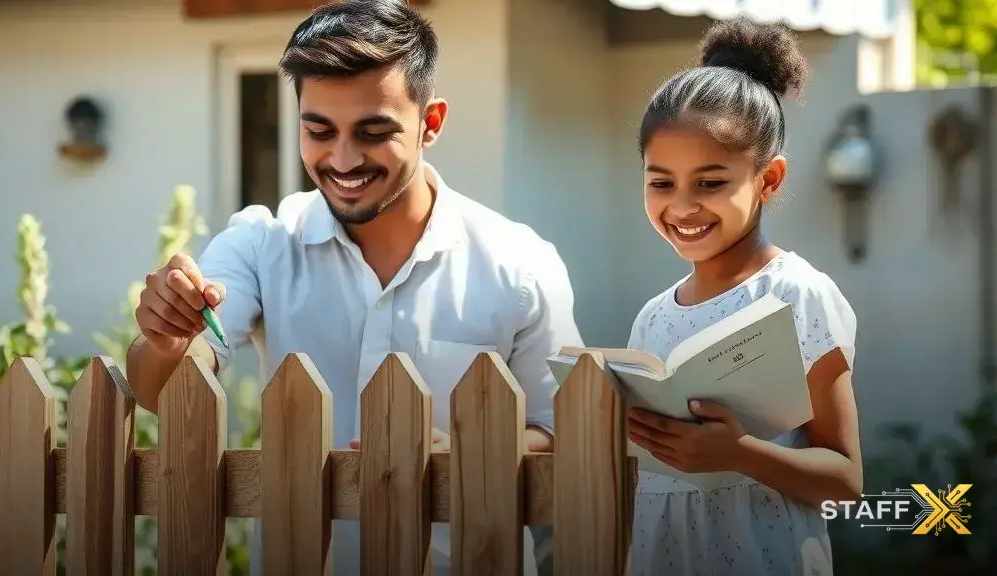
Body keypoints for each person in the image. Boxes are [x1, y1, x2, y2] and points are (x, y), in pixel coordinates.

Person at [125, 1, 578, 573]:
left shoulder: (521, 263)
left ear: (430, 123)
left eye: (373, 132)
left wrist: (470, 453)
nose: (342, 158)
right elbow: (158, 389)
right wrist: (166, 338)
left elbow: (563, 432)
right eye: (319, 130)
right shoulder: (262, 243)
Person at [622, 17, 862, 576]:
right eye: (661, 183)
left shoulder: (797, 295)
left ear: (768, 180)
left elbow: (846, 481)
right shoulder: (651, 318)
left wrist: (739, 454)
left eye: (710, 184)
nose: (681, 207)